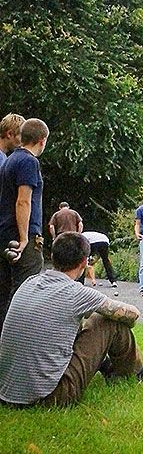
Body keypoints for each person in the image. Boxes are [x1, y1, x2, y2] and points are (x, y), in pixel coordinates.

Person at [0, 232, 143, 407]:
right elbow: (133, 314)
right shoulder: (77, 293)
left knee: (79, 321)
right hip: (49, 396)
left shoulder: (29, 282)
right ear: (85, 262)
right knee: (109, 321)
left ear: (53, 257)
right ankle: (141, 372)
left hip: (6, 390)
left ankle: (108, 366)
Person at [0, 118, 48, 333]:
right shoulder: (29, 161)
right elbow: (23, 200)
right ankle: (16, 343)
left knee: (8, 291)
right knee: (27, 292)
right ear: (41, 140)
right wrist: (24, 238)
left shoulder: (10, 159)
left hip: (5, 232)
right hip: (23, 236)